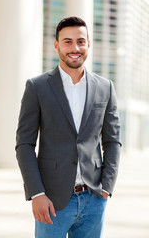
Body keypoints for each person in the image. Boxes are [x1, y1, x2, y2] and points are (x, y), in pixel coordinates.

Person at [16, 16, 121, 238]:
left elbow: (112, 141)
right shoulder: (37, 87)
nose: (75, 48)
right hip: (51, 201)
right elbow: (24, 144)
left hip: (94, 199)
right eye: (67, 41)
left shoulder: (106, 87)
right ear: (56, 45)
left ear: (88, 44)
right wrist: (37, 194)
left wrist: (106, 187)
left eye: (81, 41)